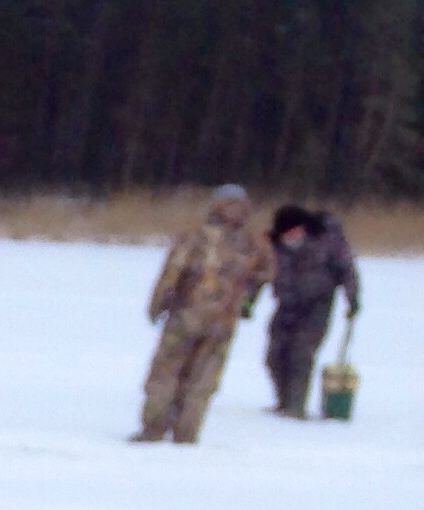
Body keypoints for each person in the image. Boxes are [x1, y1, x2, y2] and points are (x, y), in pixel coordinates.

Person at [134, 184, 276, 444]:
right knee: (202, 379)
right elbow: (267, 273)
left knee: (166, 371)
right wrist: (245, 299)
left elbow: (172, 273)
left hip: (185, 315)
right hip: (223, 321)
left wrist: (157, 305)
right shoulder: (255, 241)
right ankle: (186, 434)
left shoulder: (195, 235)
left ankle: (153, 429)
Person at [262, 204, 362, 417]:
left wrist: (352, 298)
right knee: (274, 355)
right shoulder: (274, 246)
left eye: (294, 231)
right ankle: (283, 401)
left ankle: (295, 406)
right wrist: (247, 302)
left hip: (317, 305)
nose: (291, 236)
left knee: (301, 353)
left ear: (304, 228)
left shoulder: (327, 240)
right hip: (287, 305)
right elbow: (260, 272)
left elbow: (347, 269)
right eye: (286, 233)